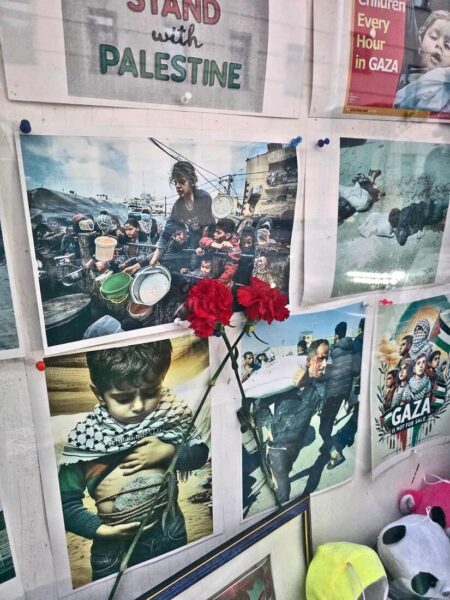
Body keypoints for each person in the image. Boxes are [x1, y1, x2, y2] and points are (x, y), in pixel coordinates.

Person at [58, 341, 209, 580]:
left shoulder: (169, 416)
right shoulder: (86, 441)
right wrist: (101, 530)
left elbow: (199, 454)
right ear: (99, 394)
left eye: (150, 392)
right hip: (114, 552)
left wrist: (169, 452)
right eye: (123, 398)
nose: (139, 406)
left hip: (169, 532)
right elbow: (64, 504)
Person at [259, 339, 330, 503]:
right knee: (283, 487)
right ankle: (283, 510)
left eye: (327, 358)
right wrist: (269, 425)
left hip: (297, 443)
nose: (325, 364)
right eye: (321, 358)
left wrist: (304, 387)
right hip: (278, 445)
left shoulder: (319, 383)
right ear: (309, 360)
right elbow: (260, 404)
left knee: (286, 470)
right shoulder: (285, 380)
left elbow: (318, 404)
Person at [124, 161, 214, 274]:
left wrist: (202, 247)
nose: (177, 186)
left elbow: (206, 227)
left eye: (181, 181)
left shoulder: (203, 197)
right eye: (176, 182)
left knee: (199, 266)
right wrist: (154, 258)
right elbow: (165, 234)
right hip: (193, 239)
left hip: (209, 240)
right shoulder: (178, 206)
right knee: (168, 251)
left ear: (191, 181)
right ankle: (137, 266)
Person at [395, 10, 450, 112]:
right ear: (420, 40)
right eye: (434, 37)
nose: (439, 45)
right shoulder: (398, 81)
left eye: (447, 45)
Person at [319, 322, 354, 457]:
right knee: (328, 422)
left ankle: (334, 453)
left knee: (323, 428)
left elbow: (325, 374)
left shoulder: (334, 352)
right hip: (343, 393)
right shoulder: (351, 350)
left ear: (336, 336)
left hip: (332, 393)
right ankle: (329, 446)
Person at [197, 218, 241, 286]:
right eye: (215, 231)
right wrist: (218, 246)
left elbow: (229, 272)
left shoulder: (234, 247)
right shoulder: (218, 240)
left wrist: (216, 284)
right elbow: (202, 240)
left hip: (222, 285)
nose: (214, 234)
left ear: (228, 235)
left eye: (218, 233)